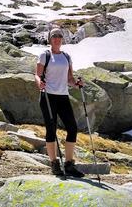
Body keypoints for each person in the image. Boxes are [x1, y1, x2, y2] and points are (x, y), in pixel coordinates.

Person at [34, 27, 85, 177]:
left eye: (59, 36)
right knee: (51, 129)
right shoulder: (45, 55)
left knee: (72, 128)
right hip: (48, 96)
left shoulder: (66, 57)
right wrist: (39, 83)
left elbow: (69, 79)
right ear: (50, 39)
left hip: (63, 96)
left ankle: (69, 164)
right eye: (54, 36)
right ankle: (54, 163)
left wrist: (76, 84)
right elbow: (37, 75)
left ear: (62, 39)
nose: (57, 38)